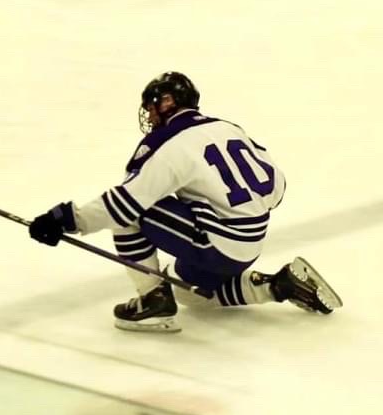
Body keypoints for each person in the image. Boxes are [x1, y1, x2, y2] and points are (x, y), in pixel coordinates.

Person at [27, 72, 342, 333]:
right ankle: (277, 286)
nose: (149, 116)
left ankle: (152, 300)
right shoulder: (228, 128)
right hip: (251, 244)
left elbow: (125, 203)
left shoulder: (167, 143)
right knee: (188, 292)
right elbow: (278, 186)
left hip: (218, 244)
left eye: (151, 107)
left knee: (130, 212)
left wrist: (66, 220)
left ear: (167, 103)